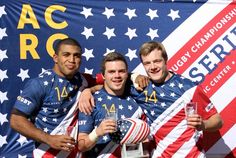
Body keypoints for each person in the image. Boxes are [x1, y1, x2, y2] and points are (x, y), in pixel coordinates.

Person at [79, 41, 223, 158]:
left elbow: (217, 121)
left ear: (165, 60)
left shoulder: (188, 87)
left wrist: (203, 125)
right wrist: (88, 90)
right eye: (147, 63)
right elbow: (113, 83)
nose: (153, 67)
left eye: (157, 61)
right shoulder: (140, 87)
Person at [10, 38, 95, 158]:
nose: (71, 60)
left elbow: (110, 82)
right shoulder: (39, 84)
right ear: (55, 58)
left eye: (76, 56)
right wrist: (49, 139)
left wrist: (89, 90)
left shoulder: (84, 80)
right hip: (47, 153)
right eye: (66, 55)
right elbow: (16, 120)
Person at [77, 52, 144, 158]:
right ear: (103, 75)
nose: (117, 76)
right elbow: (81, 145)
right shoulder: (90, 101)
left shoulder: (137, 96)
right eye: (111, 72)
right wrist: (98, 132)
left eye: (121, 71)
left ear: (127, 74)